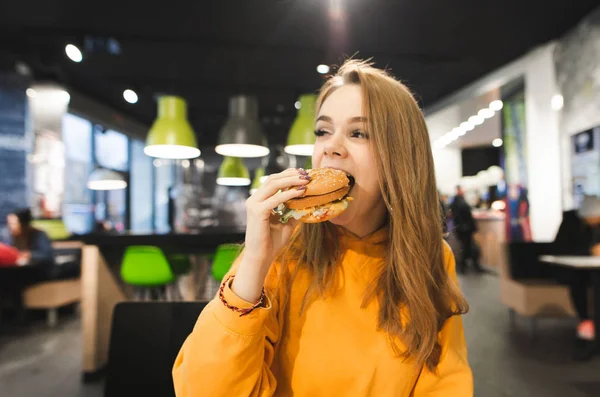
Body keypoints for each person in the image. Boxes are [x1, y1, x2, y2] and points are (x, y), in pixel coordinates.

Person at [172, 60, 472, 396]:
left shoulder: (431, 257)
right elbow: (202, 390)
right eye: (323, 131)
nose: (329, 146)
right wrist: (255, 261)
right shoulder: (283, 250)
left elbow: (446, 380)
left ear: (400, 158)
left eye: (358, 133)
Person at [553, 196, 600, 361]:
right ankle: (587, 322)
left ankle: (591, 331)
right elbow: (560, 248)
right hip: (574, 272)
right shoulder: (571, 224)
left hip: (592, 271)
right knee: (579, 284)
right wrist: (588, 250)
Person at [450, 186, 482, 273]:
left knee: (466, 247)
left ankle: (466, 266)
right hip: (465, 228)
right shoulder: (461, 202)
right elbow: (467, 215)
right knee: (468, 247)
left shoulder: (455, 203)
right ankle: (469, 266)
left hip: (460, 228)